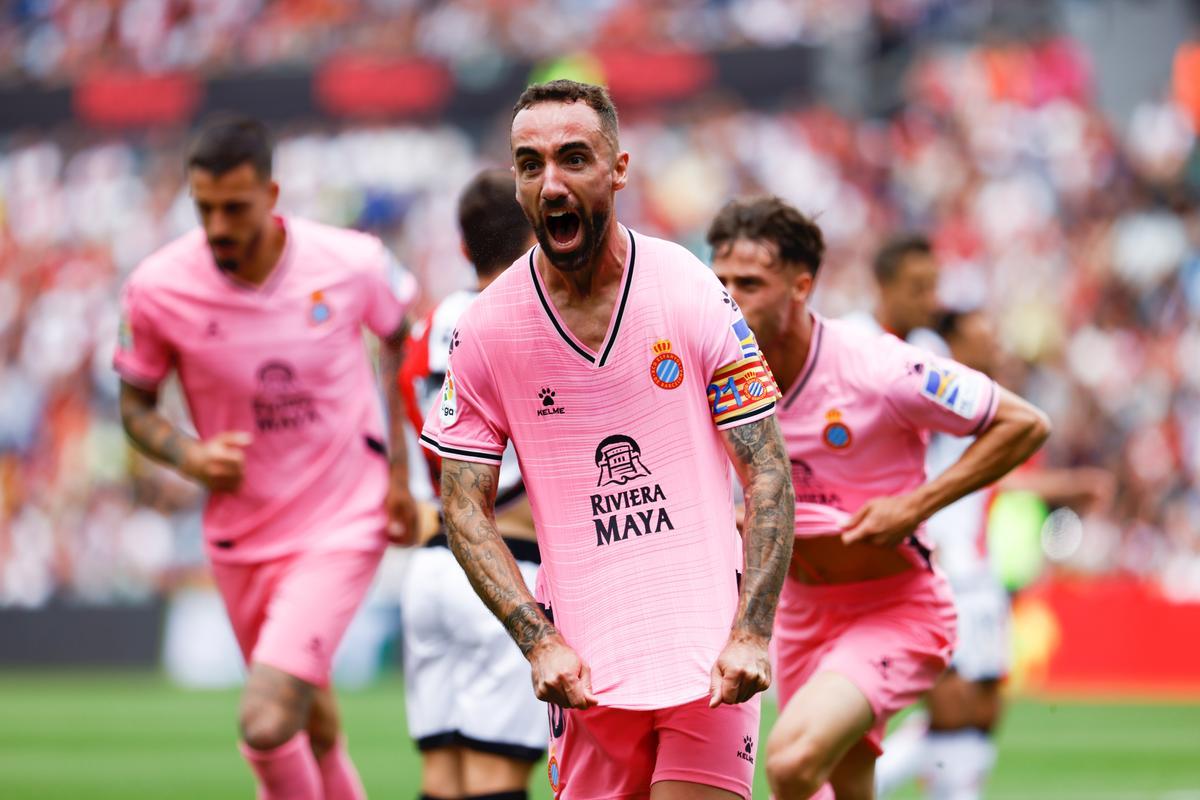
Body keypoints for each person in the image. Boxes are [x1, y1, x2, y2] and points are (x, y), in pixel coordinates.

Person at [420, 79, 794, 800]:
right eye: (531, 165)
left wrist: (751, 631)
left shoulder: (687, 288)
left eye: (573, 159)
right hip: (586, 675)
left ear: (618, 169)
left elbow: (769, 472)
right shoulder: (488, 331)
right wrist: (538, 640)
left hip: (708, 662)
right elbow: (462, 506)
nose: (551, 183)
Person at [113, 116, 418, 800]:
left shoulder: (351, 262)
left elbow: (402, 341)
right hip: (241, 536)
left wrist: (400, 474)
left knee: (265, 717)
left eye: (235, 207)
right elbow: (134, 407)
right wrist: (190, 457)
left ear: (272, 193)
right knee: (312, 727)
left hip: (344, 517)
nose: (218, 225)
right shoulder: (158, 288)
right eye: (205, 208)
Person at [706, 195, 1050, 800]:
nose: (729, 298)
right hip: (800, 614)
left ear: (801, 286)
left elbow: (1024, 423)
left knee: (790, 762)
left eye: (751, 283)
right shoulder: (715, 373)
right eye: (721, 281)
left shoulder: (877, 368)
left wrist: (915, 507)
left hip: (895, 608)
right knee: (842, 786)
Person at [874, 308, 1114, 800]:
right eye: (983, 338)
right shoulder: (931, 388)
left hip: (980, 576)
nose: (994, 347)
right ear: (952, 343)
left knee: (981, 710)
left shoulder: (977, 406)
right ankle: (848, 785)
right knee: (953, 709)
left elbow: (992, 479)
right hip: (941, 572)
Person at [397, 168, 546, 800]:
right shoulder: (528, 318)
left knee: (443, 775)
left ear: (463, 247)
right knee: (495, 776)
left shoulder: (427, 327)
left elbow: (398, 394)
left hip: (432, 565)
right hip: (506, 560)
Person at [844, 233, 945, 353]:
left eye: (933, 288)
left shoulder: (932, 347)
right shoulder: (850, 337)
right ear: (883, 285)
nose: (930, 302)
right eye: (918, 289)